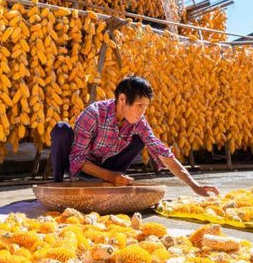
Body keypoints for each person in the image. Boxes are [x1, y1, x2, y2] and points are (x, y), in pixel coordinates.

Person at [50, 75, 220, 197]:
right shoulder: (94, 114)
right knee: (61, 129)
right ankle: (56, 185)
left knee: (140, 138)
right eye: (139, 105)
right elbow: (77, 159)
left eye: (145, 107)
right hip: (79, 166)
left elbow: (162, 152)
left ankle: (113, 181)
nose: (142, 111)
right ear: (122, 99)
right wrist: (111, 176)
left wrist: (195, 186)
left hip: (109, 167)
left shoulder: (138, 122)